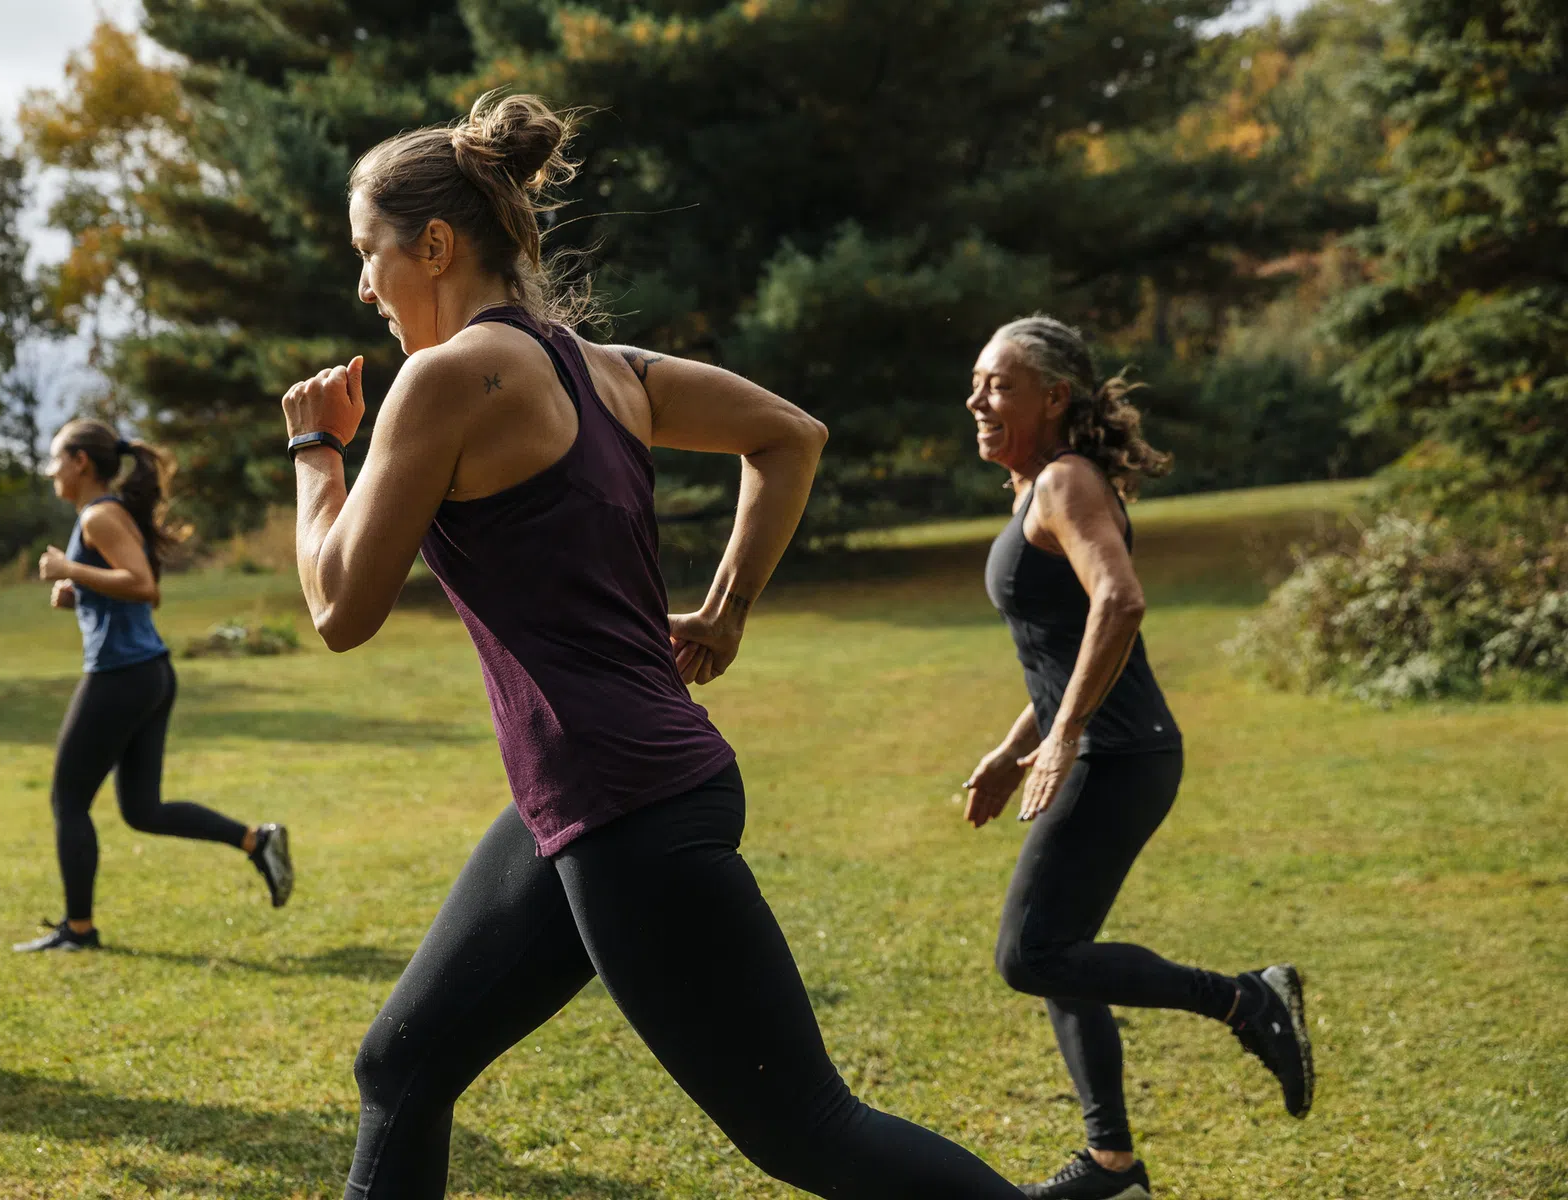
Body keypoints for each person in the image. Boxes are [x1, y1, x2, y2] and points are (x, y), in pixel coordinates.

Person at [280, 92, 1026, 1199]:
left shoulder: (447, 381)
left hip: (626, 807)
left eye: (368, 254)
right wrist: (725, 608)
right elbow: (790, 436)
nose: (362, 286)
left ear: (432, 245)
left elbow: (341, 607)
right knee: (404, 1064)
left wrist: (312, 452)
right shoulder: (605, 369)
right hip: (596, 799)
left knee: (812, 1127)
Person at [960, 316, 1315, 1199]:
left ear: (1054, 397)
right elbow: (1067, 642)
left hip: (1119, 755)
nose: (977, 399)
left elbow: (1119, 603)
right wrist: (1018, 746)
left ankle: (1247, 999)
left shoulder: (1066, 482)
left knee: (1030, 954)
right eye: (976, 382)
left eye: (998, 384)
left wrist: (1068, 733)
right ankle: (1112, 1164)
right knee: (1058, 946)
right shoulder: (1036, 486)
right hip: (1108, 750)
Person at [15, 420, 294, 952]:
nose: (49, 470)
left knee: (67, 799)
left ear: (80, 462)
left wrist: (68, 567)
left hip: (123, 675)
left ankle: (79, 930)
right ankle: (257, 840)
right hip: (145, 674)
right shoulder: (105, 516)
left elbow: (143, 586)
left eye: (55, 459)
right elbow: (139, 590)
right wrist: (83, 593)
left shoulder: (99, 516)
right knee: (143, 811)